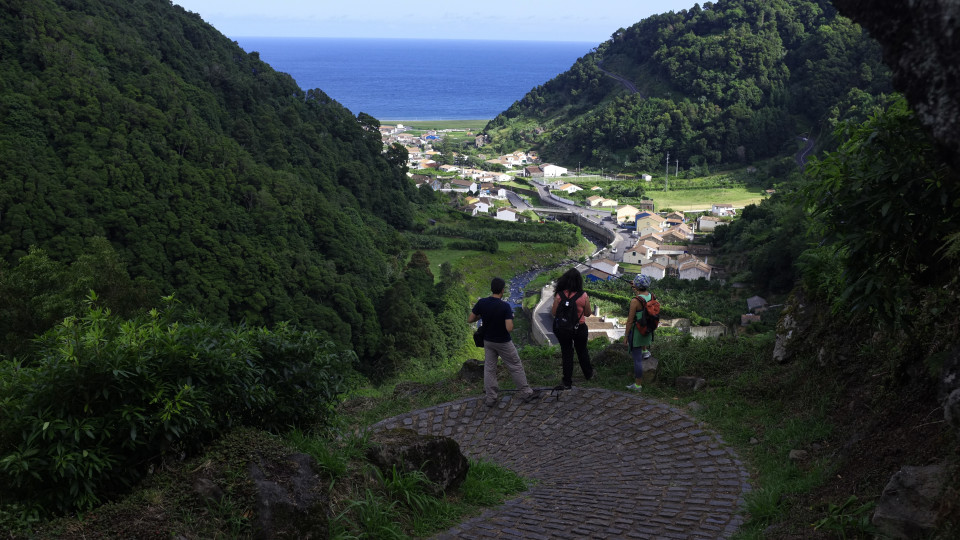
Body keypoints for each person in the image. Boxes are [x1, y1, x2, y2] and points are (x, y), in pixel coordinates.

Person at [468, 277, 540, 407]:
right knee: (515, 365)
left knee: (489, 369)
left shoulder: (482, 302)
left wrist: (483, 315)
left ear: (491, 289)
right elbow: (509, 328)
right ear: (502, 290)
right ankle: (526, 392)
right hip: (503, 341)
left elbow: (471, 319)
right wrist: (510, 317)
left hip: (488, 341)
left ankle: (491, 398)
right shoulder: (505, 306)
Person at [551, 268, 594, 389]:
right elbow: (587, 313)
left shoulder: (559, 295)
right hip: (579, 328)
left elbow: (554, 313)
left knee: (567, 353)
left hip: (563, 329)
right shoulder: (583, 295)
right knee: (582, 351)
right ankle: (588, 374)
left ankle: (567, 381)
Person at [624, 274, 655, 392]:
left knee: (637, 360)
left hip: (637, 332)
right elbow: (644, 300)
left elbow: (630, 320)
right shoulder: (652, 296)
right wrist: (637, 287)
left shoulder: (634, 301)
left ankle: (638, 385)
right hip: (647, 331)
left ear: (637, 286)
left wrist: (626, 336)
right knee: (641, 353)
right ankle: (645, 350)